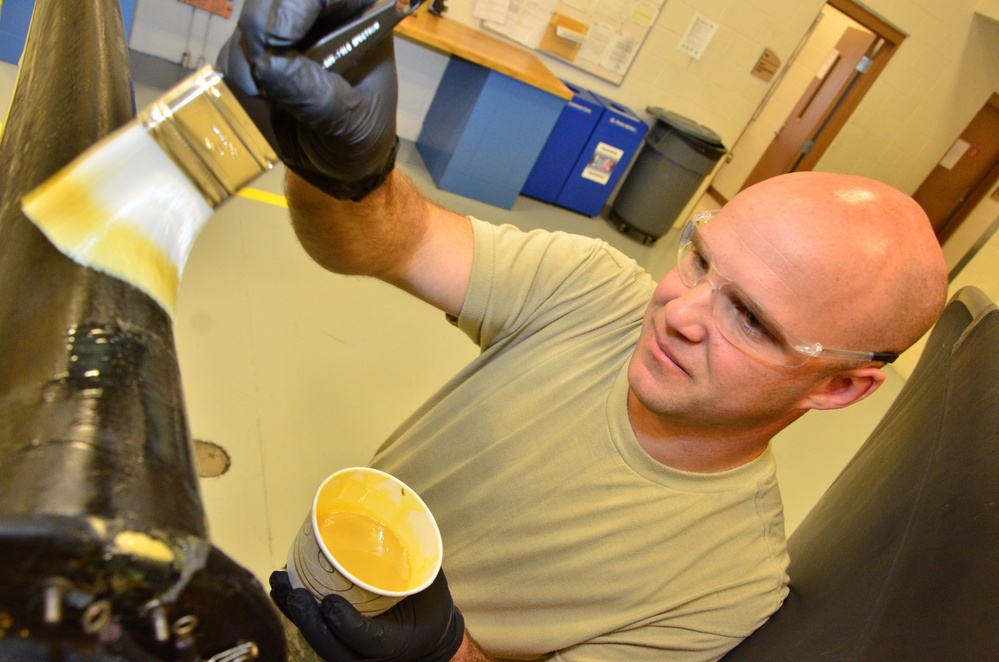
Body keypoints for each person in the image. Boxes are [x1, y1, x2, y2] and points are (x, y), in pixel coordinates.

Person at [218, 0, 949, 659]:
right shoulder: (595, 290)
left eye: (750, 319)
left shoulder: (726, 587)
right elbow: (387, 242)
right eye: (698, 259)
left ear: (841, 386)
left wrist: (444, 652)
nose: (679, 312)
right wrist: (344, 172)